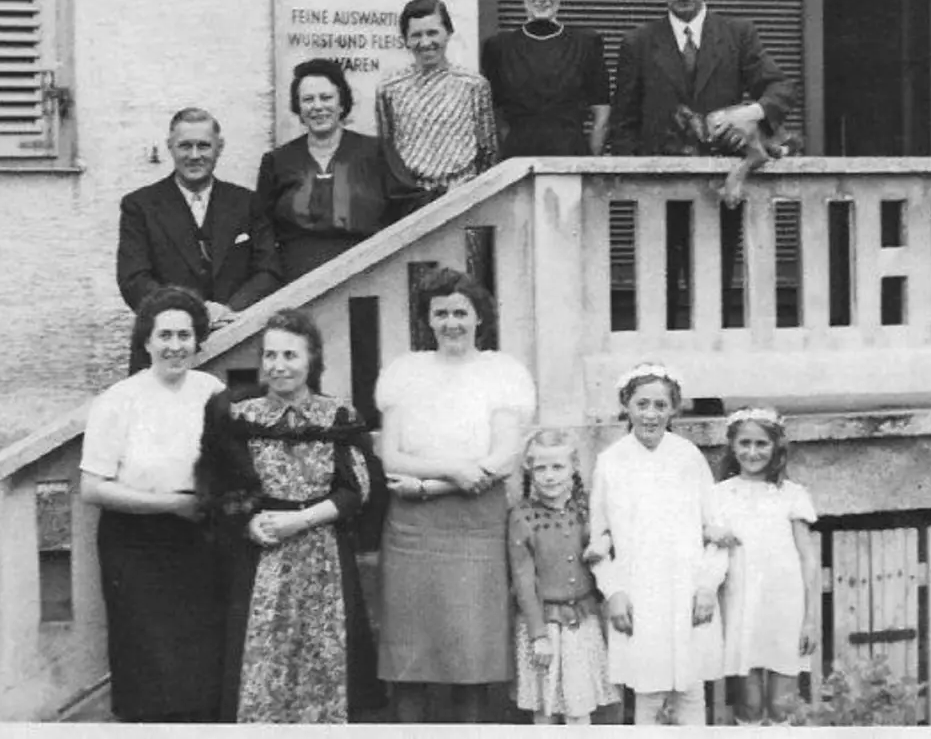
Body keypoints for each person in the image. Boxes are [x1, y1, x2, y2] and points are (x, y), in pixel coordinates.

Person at [194, 309, 387, 723]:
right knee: (261, 663)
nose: (278, 366)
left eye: (290, 356)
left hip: (324, 555)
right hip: (259, 557)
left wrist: (299, 521)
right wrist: (247, 521)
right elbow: (217, 487)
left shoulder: (338, 416)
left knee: (324, 658)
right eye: (270, 356)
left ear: (312, 360)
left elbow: (358, 491)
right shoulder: (239, 416)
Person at [375, 266, 536, 722]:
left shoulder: (502, 373)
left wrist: (430, 486)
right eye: (441, 313)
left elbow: (501, 457)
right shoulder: (405, 372)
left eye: (460, 312)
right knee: (409, 654)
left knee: (473, 650)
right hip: (412, 530)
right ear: (427, 319)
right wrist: (451, 471)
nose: (451, 323)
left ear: (479, 317)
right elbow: (392, 458)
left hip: (475, 524)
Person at [78, 286, 226, 723]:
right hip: (135, 545)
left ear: (198, 341)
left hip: (198, 540)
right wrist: (167, 505)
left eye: (185, 336)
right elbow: (93, 488)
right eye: (165, 336)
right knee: (147, 661)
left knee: (200, 662)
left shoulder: (211, 391)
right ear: (146, 342)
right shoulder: (118, 401)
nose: (175, 346)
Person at [585, 362, 728, 726]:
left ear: (673, 409)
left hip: (687, 587)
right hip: (639, 591)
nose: (651, 414)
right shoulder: (611, 462)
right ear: (626, 405)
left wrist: (708, 585)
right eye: (642, 404)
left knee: (691, 690)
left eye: (660, 406)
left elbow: (716, 528)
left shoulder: (688, 457)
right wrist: (613, 591)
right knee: (647, 695)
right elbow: (599, 538)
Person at [118, 107, 282, 372]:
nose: (194, 156)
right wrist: (195, 311)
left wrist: (228, 310)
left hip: (238, 349)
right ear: (170, 147)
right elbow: (133, 280)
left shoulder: (248, 203)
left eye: (203, 146)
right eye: (185, 146)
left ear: (220, 147)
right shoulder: (140, 206)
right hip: (165, 354)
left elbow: (269, 271)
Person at [610, 0, 799, 157]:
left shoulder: (737, 35)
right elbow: (623, 126)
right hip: (659, 177)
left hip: (724, 171)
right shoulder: (637, 42)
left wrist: (750, 114)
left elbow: (781, 88)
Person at [713, 407, 820, 724]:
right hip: (740, 604)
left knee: (780, 703)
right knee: (748, 703)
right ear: (733, 446)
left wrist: (810, 619)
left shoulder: (791, 495)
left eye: (761, 444)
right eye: (744, 443)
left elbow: (808, 559)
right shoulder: (718, 495)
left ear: (776, 448)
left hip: (783, 608)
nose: (752, 452)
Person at [508, 429, 620, 725]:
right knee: (544, 707)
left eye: (557, 467)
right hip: (543, 625)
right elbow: (523, 580)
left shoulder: (586, 507)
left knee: (578, 706)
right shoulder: (523, 516)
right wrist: (538, 635)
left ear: (573, 468)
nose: (549, 476)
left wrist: (603, 541)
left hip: (583, 622)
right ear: (529, 470)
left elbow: (609, 533)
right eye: (540, 468)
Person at [254, 59, 398, 283]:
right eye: (308, 100)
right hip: (296, 280)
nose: (318, 106)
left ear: (342, 103)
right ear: (298, 108)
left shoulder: (377, 152)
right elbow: (262, 226)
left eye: (326, 97)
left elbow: (407, 205)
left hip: (366, 275)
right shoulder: (277, 161)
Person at [375, 0, 499, 218]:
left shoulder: (474, 85)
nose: (425, 42)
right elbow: (387, 148)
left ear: (448, 33)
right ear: (405, 40)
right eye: (416, 35)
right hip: (412, 202)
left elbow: (488, 149)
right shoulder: (390, 89)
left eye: (432, 33)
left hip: (464, 198)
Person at [481, 0, 611, 158]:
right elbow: (493, 116)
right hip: (516, 163)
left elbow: (602, 114)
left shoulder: (586, 43)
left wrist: (590, 165)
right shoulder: (498, 47)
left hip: (572, 161)